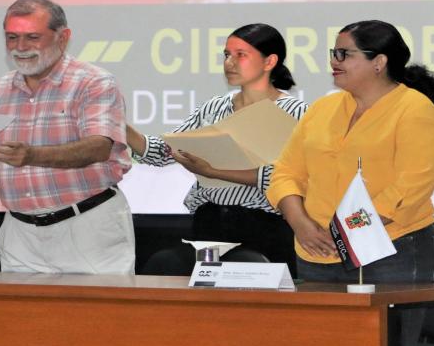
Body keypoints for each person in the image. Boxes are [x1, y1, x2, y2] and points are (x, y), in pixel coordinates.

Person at [266, 20, 434, 346]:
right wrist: (300, 222)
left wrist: (345, 234)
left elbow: (411, 186)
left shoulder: (414, 110)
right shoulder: (325, 108)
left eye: (344, 54)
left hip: (392, 251)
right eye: (334, 52)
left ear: (379, 62)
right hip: (316, 249)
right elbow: (286, 172)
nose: (334, 62)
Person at [0, 0, 134, 274]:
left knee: (99, 305)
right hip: (20, 233)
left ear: (63, 38)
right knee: (19, 305)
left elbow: (98, 147)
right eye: (12, 37)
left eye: (32, 37)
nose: (20, 47)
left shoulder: (95, 82)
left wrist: (31, 155)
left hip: (88, 226)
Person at [127, 23, 306, 273]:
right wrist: (119, 125)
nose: (229, 63)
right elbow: (163, 152)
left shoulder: (296, 112)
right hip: (208, 224)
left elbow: (285, 176)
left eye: (240, 55)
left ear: (269, 61)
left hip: (264, 228)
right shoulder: (214, 107)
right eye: (226, 55)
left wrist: (213, 171)